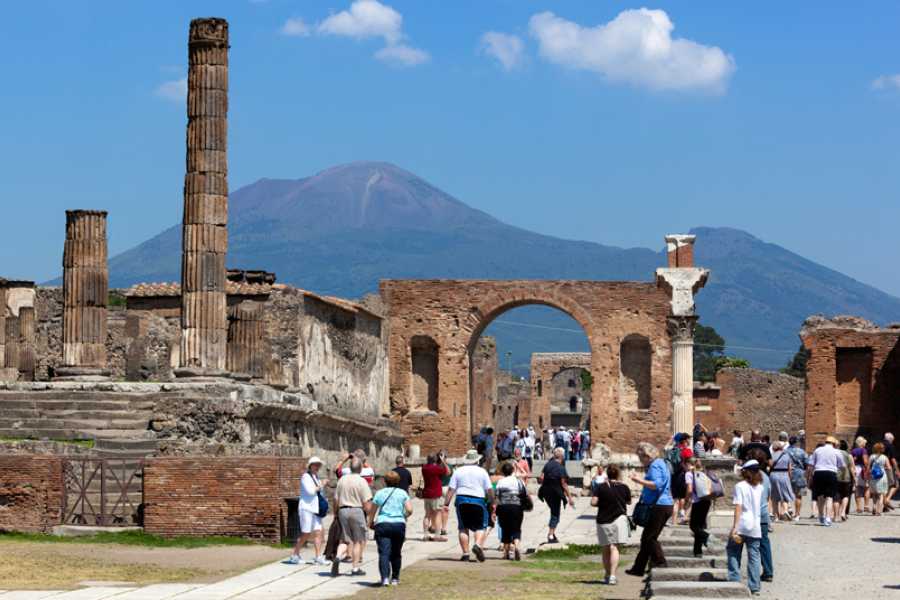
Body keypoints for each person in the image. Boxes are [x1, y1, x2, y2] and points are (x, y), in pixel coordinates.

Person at [626, 442, 673, 577]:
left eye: (641, 458)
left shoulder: (656, 465)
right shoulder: (660, 463)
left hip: (659, 505)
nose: (641, 461)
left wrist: (637, 480)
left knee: (649, 538)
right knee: (647, 538)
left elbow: (656, 485)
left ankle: (660, 561)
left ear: (647, 456)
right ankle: (638, 568)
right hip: (662, 505)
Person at [444, 449, 493, 562]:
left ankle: (465, 554)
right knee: (481, 527)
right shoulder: (482, 472)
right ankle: (477, 545)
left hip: (462, 499)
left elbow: (451, 489)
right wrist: (492, 501)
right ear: (477, 460)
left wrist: (446, 503)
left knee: (463, 527)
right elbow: (489, 489)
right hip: (478, 500)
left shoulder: (458, 471)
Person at [369, 470, 413, 587]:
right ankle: (395, 578)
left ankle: (384, 578)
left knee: (384, 553)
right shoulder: (403, 493)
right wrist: (403, 516)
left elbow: (372, 511)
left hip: (383, 524)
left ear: (385, 481)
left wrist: (371, 523)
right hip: (398, 524)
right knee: (396, 552)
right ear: (398, 481)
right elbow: (409, 510)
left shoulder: (379, 493)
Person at [727, 460, 764, 596]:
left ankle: (734, 580)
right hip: (755, 525)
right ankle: (754, 586)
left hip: (743, 524)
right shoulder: (760, 486)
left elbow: (738, 507)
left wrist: (735, 527)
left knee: (733, 550)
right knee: (754, 556)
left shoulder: (740, 486)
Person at [331, 458, 372, 577]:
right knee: (358, 541)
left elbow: (335, 500)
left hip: (343, 510)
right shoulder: (362, 481)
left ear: (350, 468)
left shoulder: (342, 480)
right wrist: (369, 515)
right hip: (356, 510)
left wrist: (335, 513)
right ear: (360, 469)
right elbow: (366, 502)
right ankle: (355, 568)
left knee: (345, 539)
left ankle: (338, 557)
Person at [591, 464, 631, 585]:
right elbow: (628, 501)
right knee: (615, 548)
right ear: (618, 474)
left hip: (603, 519)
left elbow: (593, 502)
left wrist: (603, 502)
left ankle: (607, 574)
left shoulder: (601, 487)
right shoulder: (624, 487)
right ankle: (613, 576)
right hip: (619, 519)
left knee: (605, 548)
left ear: (607, 474)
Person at [289, 456, 329, 565]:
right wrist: (321, 485)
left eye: (318, 465)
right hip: (306, 508)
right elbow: (311, 492)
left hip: (315, 509)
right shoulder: (305, 477)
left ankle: (318, 556)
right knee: (306, 533)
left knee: (318, 532)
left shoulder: (315, 477)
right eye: (315, 465)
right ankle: (295, 554)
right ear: (310, 466)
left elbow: (319, 493)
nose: (317, 467)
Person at [538, 447, 574, 544]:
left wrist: (547, 482)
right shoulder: (561, 468)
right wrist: (570, 498)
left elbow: (541, 478)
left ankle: (552, 535)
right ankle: (550, 535)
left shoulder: (548, 465)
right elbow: (564, 484)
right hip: (555, 493)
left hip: (545, 492)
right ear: (562, 456)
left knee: (553, 511)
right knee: (555, 514)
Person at [494, 461, 529, 561]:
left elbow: (497, 497)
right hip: (516, 507)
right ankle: (517, 546)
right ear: (513, 470)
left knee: (505, 529)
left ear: (503, 472)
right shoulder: (519, 481)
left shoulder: (501, 482)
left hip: (504, 507)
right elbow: (525, 494)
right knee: (516, 528)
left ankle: (506, 554)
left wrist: (494, 510)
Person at [807, 436, 844, 527]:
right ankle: (828, 517)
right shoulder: (836, 451)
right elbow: (842, 465)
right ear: (834, 444)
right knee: (829, 497)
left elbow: (811, 465)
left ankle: (821, 515)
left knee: (819, 496)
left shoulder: (818, 450)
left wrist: (810, 477)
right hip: (831, 473)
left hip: (818, 473)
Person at [749, 449, 773, 583]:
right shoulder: (766, 477)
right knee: (764, 543)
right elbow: (768, 497)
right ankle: (768, 572)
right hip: (763, 514)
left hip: (751, 515)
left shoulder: (750, 477)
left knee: (744, 545)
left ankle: (737, 572)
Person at [685, 457, 712, 558]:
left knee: (693, 526)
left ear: (688, 464)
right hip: (707, 500)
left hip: (697, 502)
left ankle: (706, 536)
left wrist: (687, 501)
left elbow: (689, 490)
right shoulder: (704, 471)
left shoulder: (689, 473)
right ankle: (698, 551)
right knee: (699, 526)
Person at [421, 453, 450, 541]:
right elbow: (448, 472)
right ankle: (437, 535)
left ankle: (425, 535)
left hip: (427, 494)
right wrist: (443, 461)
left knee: (427, 515)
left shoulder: (424, 468)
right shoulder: (436, 468)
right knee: (437, 514)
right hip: (436, 494)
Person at [768, 441, 796, 521]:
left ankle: (776, 516)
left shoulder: (772, 455)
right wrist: (789, 477)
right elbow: (790, 468)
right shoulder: (786, 456)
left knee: (774, 496)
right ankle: (785, 510)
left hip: (774, 475)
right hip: (784, 475)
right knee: (785, 494)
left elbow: (770, 465)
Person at [785, 436, 808, 522]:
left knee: (786, 494)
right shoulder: (801, 451)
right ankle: (797, 515)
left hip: (787, 473)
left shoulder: (785, 451)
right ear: (796, 442)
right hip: (800, 474)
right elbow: (807, 462)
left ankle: (788, 509)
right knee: (799, 496)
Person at [867, 442, 890, 516]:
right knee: (880, 495)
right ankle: (879, 511)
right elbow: (889, 467)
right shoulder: (884, 457)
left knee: (874, 494)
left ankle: (874, 507)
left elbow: (868, 467)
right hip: (882, 476)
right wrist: (884, 468)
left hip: (873, 476)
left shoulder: (871, 456)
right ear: (882, 449)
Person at [835, 440, 855, 522]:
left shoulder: (835, 453)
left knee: (836, 497)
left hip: (836, 476)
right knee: (845, 496)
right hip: (846, 478)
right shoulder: (849, 455)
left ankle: (836, 516)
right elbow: (852, 468)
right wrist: (854, 479)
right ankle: (843, 512)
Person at [851, 436, 870, 514]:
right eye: (864, 443)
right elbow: (865, 461)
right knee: (866, 487)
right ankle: (866, 506)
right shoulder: (863, 450)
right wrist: (868, 469)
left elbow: (851, 461)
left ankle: (858, 507)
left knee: (857, 488)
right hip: (862, 469)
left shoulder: (853, 451)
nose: (865, 444)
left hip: (855, 469)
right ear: (861, 443)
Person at [882, 433, 898, 511]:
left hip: (879, 468)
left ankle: (884, 506)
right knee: (895, 485)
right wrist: (897, 470)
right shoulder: (890, 446)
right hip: (888, 468)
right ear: (890, 439)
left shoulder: (879, 445)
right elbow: (893, 459)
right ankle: (887, 500)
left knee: (884, 487)